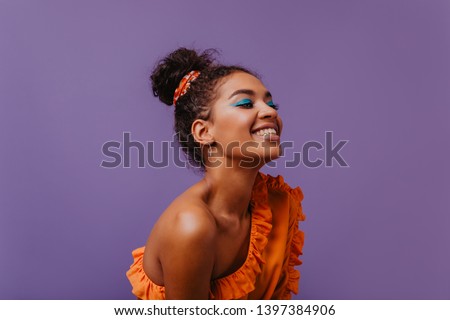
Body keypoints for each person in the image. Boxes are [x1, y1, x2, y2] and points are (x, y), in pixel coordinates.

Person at [126, 48, 306, 299]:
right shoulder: (191, 226)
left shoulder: (277, 203)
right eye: (245, 103)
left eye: (271, 103)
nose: (270, 112)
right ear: (203, 132)